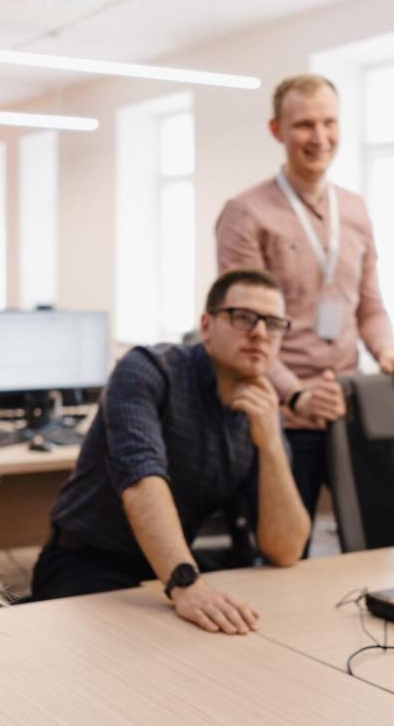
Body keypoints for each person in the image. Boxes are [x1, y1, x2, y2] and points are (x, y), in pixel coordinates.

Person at [30, 269, 311, 633]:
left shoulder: (261, 408)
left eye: (273, 324)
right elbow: (141, 480)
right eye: (243, 317)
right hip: (88, 563)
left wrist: (271, 442)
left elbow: (286, 549)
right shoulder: (147, 370)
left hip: (172, 568)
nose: (259, 333)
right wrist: (185, 584)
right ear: (207, 326)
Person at [215, 73, 394, 528]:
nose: (320, 137)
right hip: (280, 416)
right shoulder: (246, 213)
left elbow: (369, 306)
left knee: (378, 536)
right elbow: (243, 332)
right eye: (304, 125)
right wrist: (297, 396)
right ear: (277, 130)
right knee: (286, 549)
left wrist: (389, 354)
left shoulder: (355, 210)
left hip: (348, 408)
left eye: (329, 123)